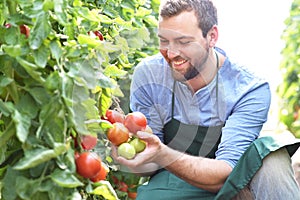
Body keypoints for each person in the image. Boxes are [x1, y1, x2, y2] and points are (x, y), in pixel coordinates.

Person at [112, 0, 300, 199]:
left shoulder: (248, 89)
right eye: (164, 41)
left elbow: (226, 172)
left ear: (212, 37)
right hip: (171, 180)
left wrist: (161, 153)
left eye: (184, 42)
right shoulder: (149, 75)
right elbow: (152, 161)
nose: (171, 53)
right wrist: (130, 152)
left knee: (272, 154)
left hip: (230, 184)